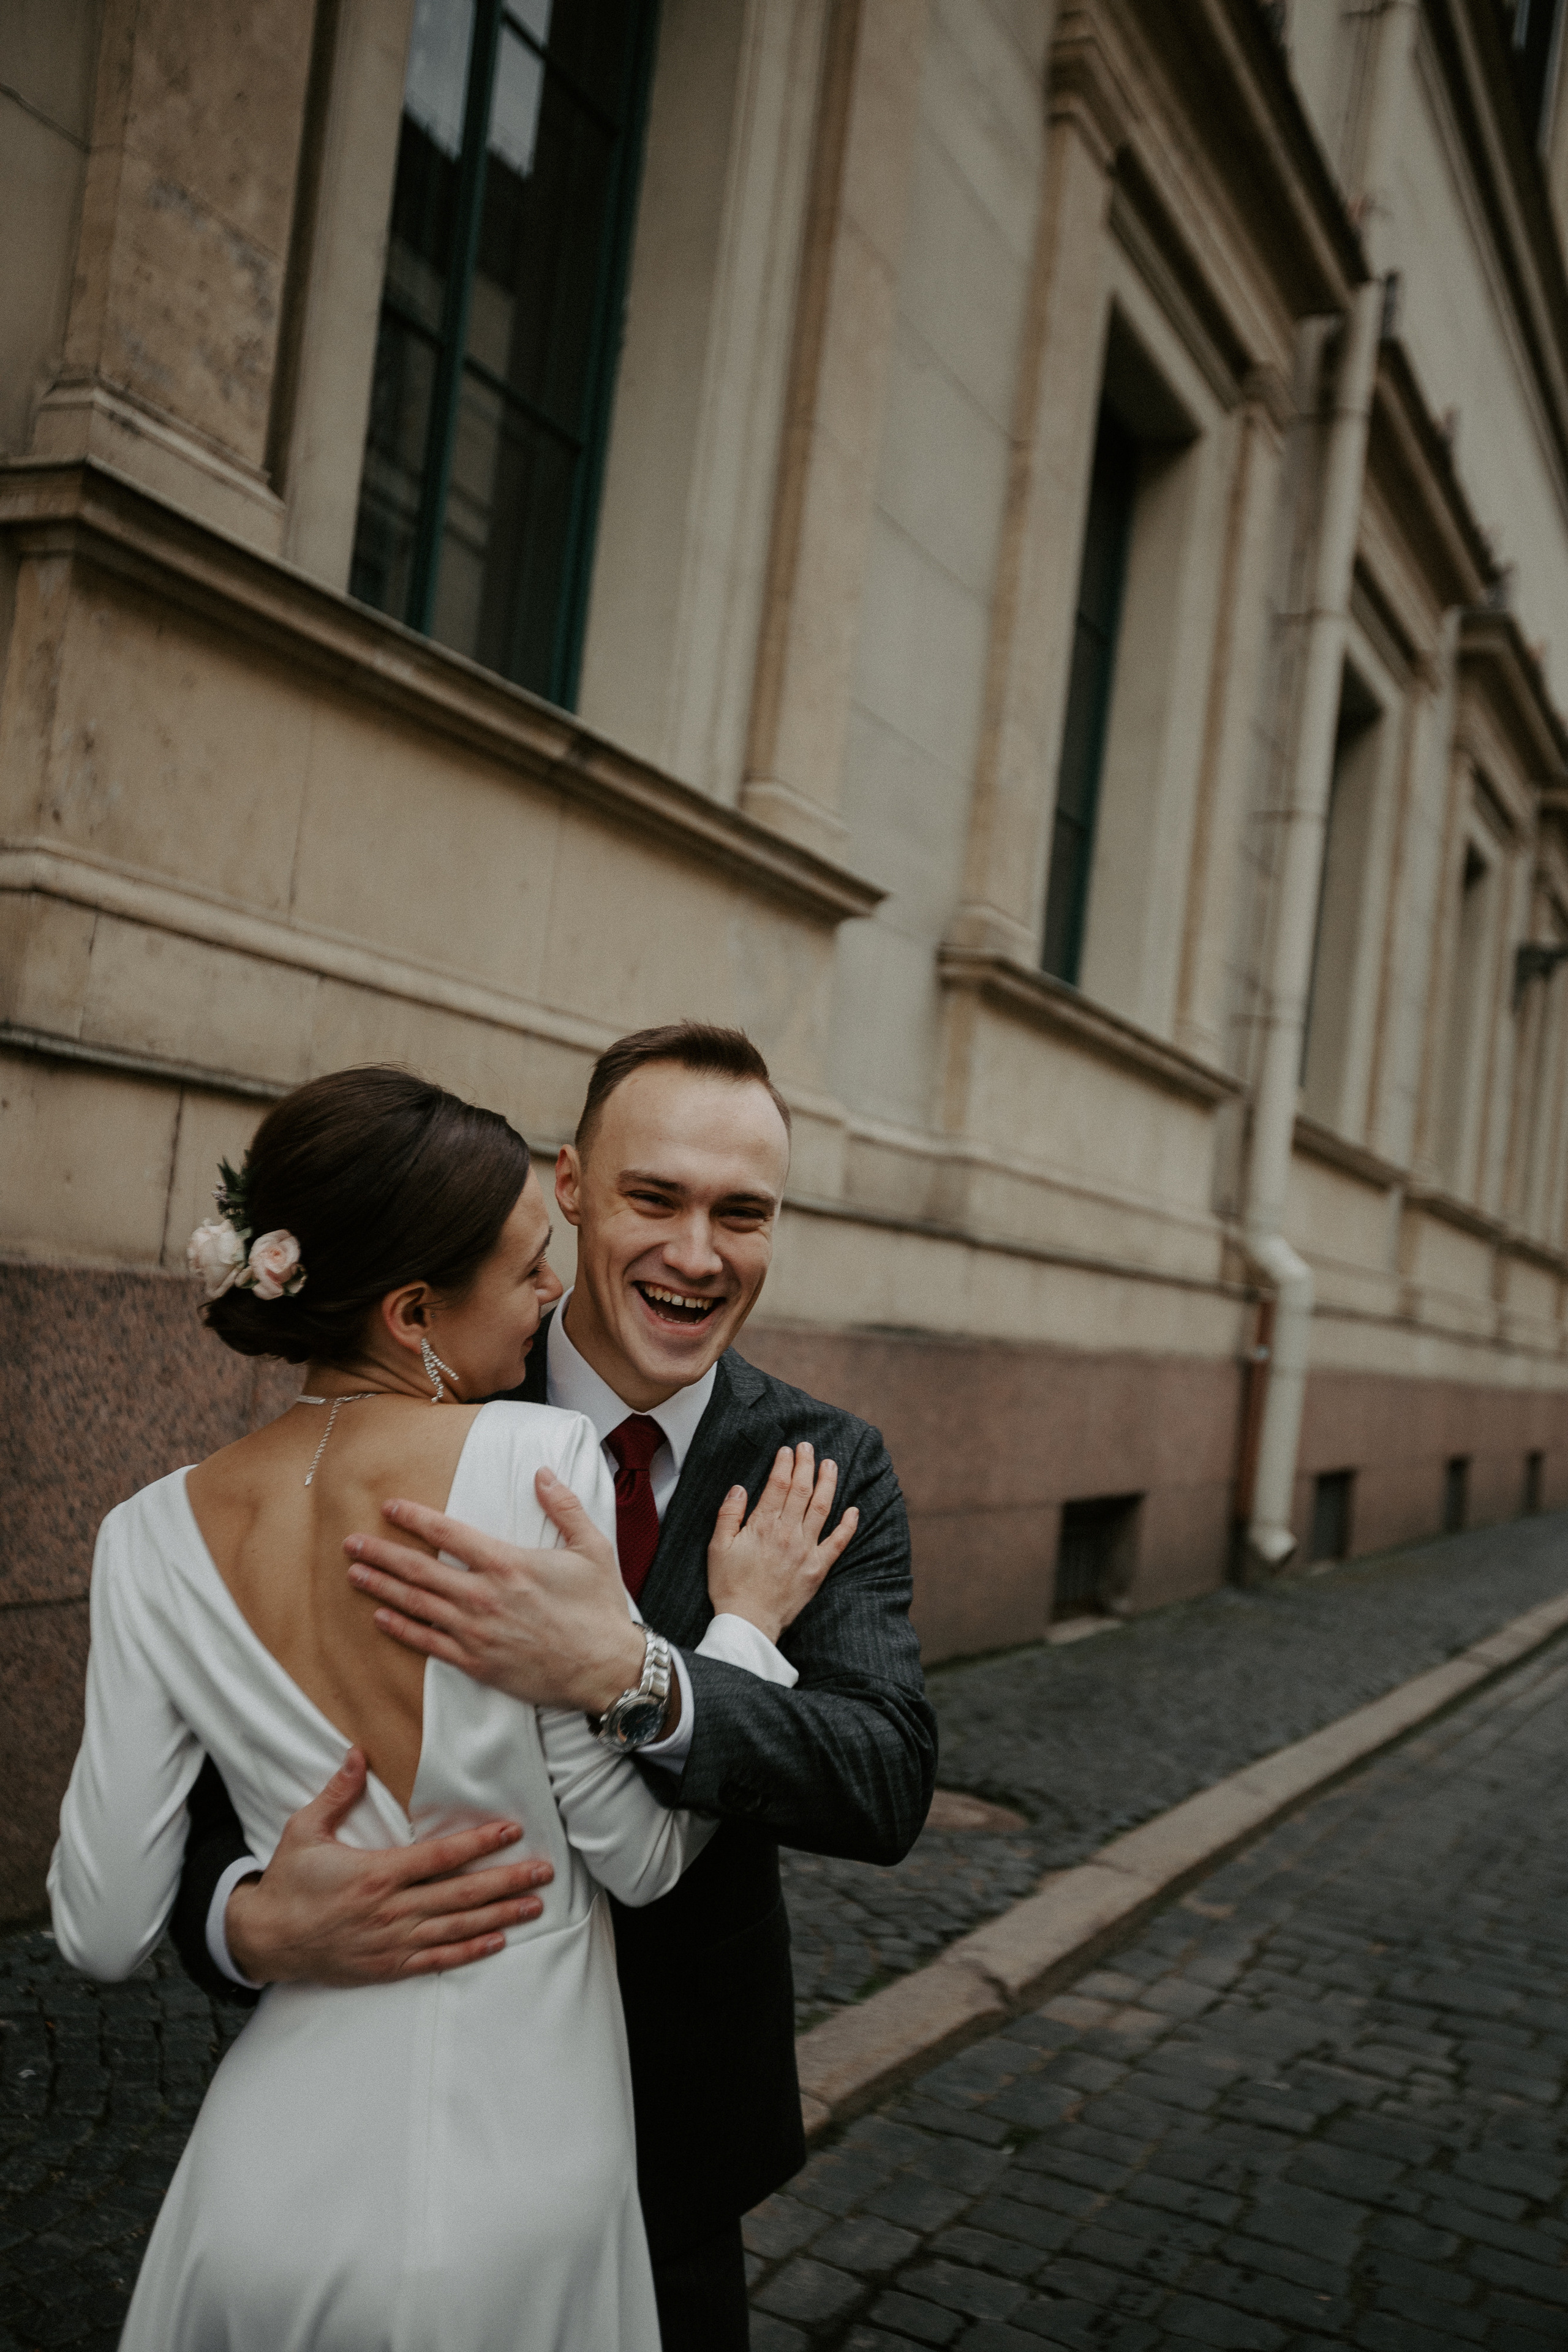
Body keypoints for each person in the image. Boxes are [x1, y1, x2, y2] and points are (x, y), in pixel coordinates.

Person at [50, 1066, 850, 2350]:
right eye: (532, 1265)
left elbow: (96, 1931)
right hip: (518, 2193)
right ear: (414, 1309)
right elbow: (639, 1863)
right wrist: (743, 1633)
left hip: (260, 2193)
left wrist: (249, 1914)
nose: (553, 1290)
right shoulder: (536, 1463)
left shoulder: (142, 1535)